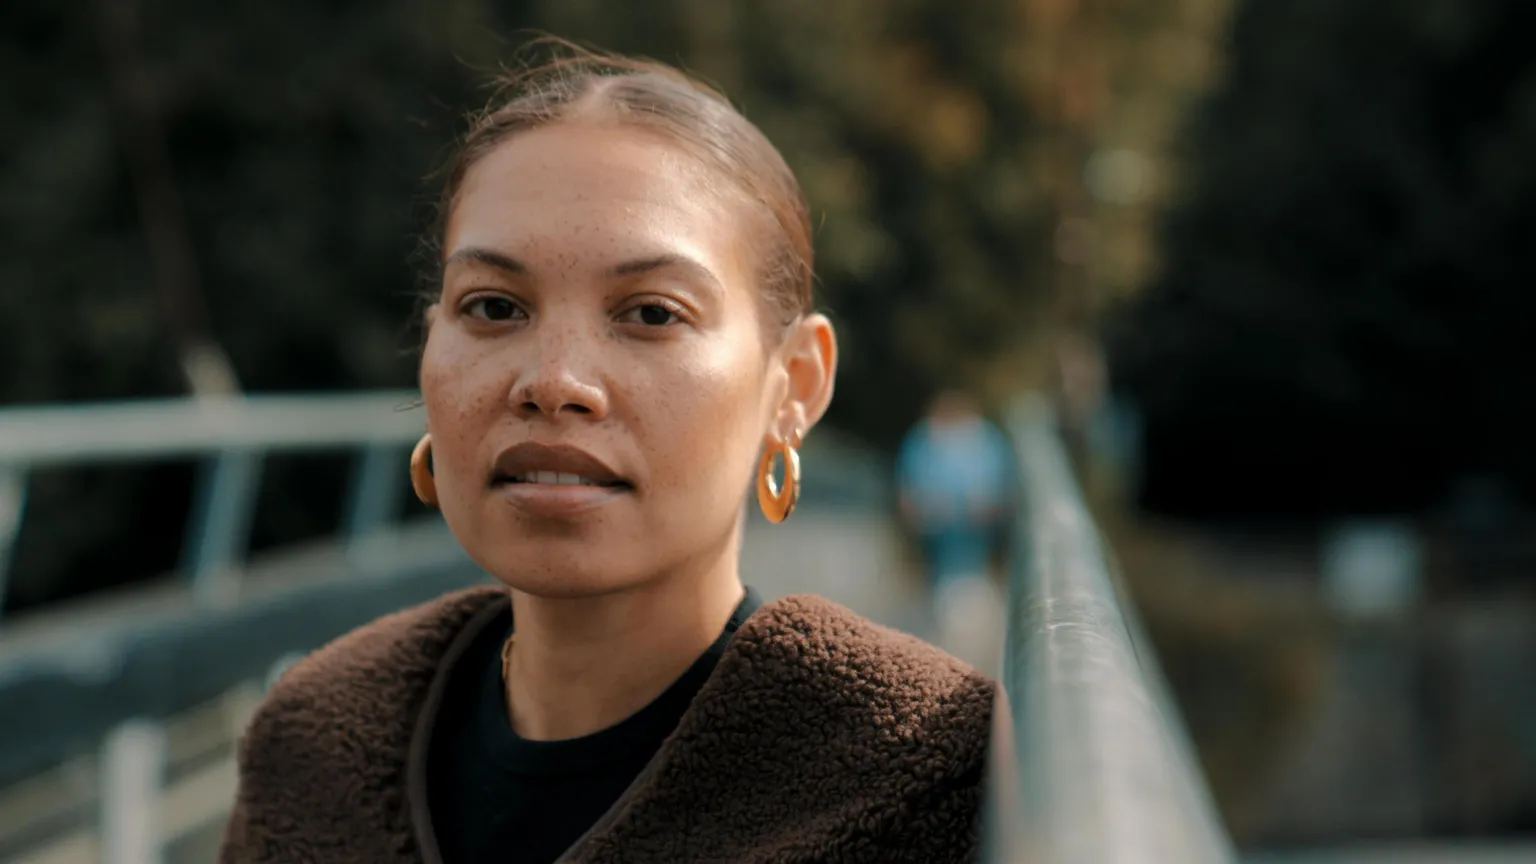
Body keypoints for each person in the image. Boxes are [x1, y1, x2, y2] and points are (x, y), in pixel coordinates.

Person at [220, 41, 994, 864]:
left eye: (652, 314)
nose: (554, 382)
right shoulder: (315, 744)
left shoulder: (913, 774)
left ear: (794, 384)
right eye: (492, 306)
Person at [895, 390, 1014, 670]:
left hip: (977, 567)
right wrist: (929, 510)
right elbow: (908, 501)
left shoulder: (988, 441)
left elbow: (1003, 497)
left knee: (973, 633)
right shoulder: (923, 441)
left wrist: (983, 509)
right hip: (936, 566)